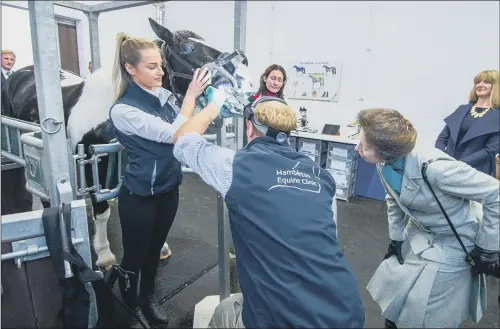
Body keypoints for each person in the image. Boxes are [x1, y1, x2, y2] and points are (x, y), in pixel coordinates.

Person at [172, 93, 365, 328]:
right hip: (345, 311)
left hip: (282, 319)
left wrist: (213, 102)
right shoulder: (322, 177)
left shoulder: (235, 167)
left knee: (223, 312)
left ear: (249, 128)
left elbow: (182, 138)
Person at [354, 108, 499, 328]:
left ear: (384, 150)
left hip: (455, 243)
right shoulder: (385, 164)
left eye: (363, 146)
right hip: (421, 236)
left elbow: (495, 193)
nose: (357, 148)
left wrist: (487, 247)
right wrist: (396, 238)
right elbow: (393, 200)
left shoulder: (437, 169)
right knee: (397, 298)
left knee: (427, 314)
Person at [108, 32, 211, 327]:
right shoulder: (124, 109)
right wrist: (191, 97)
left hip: (168, 189)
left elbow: (187, 124)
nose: (160, 72)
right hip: (139, 196)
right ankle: (127, 296)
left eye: (160, 66)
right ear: (131, 69)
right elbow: (177, 133)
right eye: (152, 67)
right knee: (135, 255)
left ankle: (147, 296)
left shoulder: (163, 97)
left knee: (154, 251)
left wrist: (199, 106)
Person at [435, 69, 499, 177]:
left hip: (476, 172)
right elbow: (442, 138)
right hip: (446, 168)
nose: (480, 84)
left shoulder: (497, 116)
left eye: (486, 82)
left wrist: (459, 164)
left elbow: (490, 151)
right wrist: (441, 158)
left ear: (496, 87)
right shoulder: (462, 109)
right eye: (478, 82)